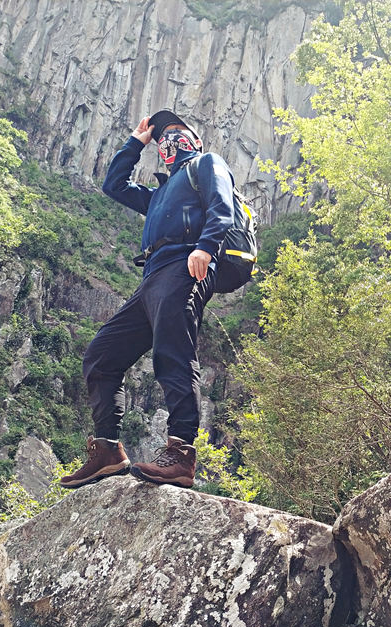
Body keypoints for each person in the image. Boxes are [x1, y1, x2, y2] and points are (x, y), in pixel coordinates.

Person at [59, 109, 235, 489]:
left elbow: (224, 207)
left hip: (186, 265)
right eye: (162, 137)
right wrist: (135, 143)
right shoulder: (157, 195)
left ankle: (181, 453)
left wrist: (206, 247)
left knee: (172, 353)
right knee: (101, 357)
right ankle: (107, 450)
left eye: (176, 132)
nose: (168, 139)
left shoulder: (205, 164)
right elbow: (113, 185)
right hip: (151, 276)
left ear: (195, 140)